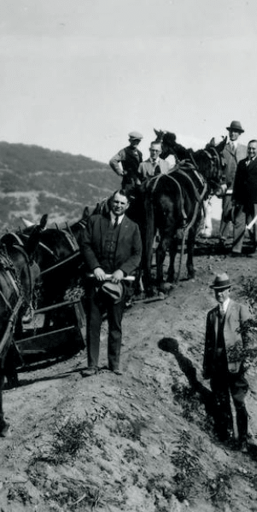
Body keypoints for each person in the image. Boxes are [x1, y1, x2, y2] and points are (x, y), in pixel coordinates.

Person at [78, 192, 142, 376]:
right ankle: (92, 365)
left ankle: (114, 364)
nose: (118, 206)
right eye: (116, 202)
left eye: (122, 203)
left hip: (119, 284)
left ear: (127, 205)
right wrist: (95, 267)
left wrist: (122, 271)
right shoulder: (94, 221)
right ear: (110, 203)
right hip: (95, 281)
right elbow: (85, 245)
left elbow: (137, 254)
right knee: (93, 323)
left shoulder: (133, 227)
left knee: (115, 324)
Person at [202, 274, 253, 449]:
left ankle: (244, 439)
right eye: (217, 291)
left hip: (236, 365)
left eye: (222, 291)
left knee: (238, 401)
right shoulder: (211, 315)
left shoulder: (240, 309)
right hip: (218, 366)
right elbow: (208, 344)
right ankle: (228, 436)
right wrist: (207, 367)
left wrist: (246, 361)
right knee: (223, 400)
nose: (219, 294)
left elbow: (249, 337)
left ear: (229, 290)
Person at [230, 139, 257, 256]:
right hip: (242, 200)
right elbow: (237, 182)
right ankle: (236, 249)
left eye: (254, 148)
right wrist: (234, 198)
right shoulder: (242, 163)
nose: (251, 151)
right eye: (249, 148)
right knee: (239, 222)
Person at [207, 120, 243, 239]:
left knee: (240, 213)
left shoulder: (244, 149)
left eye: (236, 132)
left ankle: (238, 239)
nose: (233, 134)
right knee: (226, 211)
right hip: (227, 186)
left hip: (241, 186)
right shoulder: (223, 148)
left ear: (239, 134)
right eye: (232, 131)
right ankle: (222, 237)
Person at [108, 131, 144, 196]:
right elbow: (113, 161)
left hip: (139, 181)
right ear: (130, 140)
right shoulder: (124, 152)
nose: (136, 142)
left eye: (138, 141)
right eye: (134, 141)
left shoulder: (139, 153)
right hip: (128, 182)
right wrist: (120, 172)